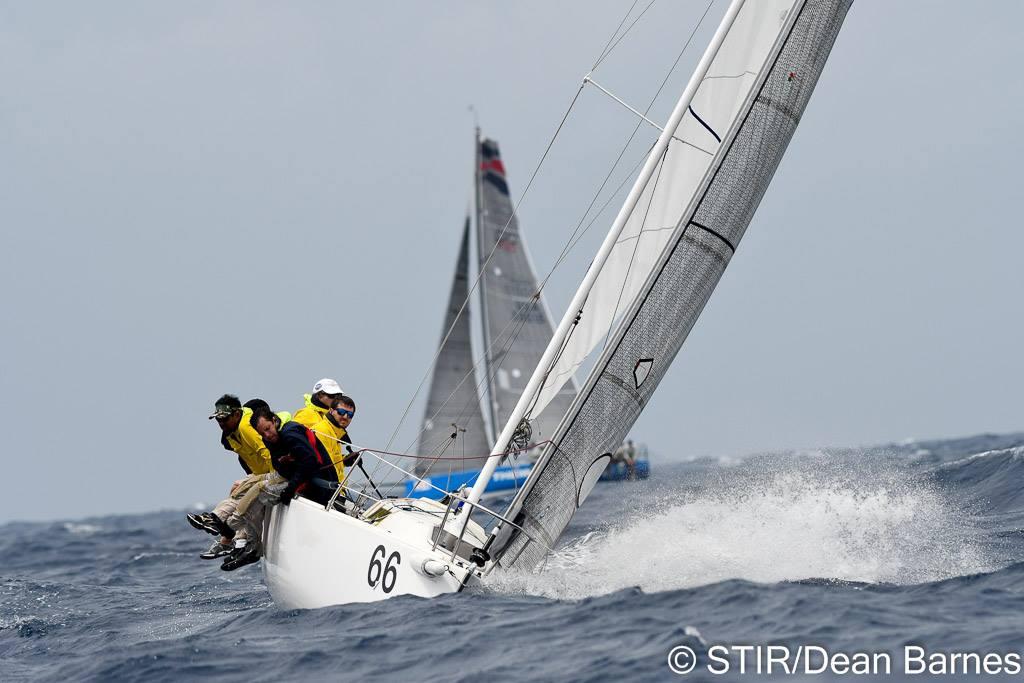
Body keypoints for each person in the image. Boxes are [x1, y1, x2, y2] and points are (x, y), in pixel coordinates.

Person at [220, 406, 340, 571]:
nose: (267, 434)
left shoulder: (290, 434)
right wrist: (287, 462)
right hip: (300, 480)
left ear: (274, 421)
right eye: (262, 433)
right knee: (251, 488)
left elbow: (309, 462)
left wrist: (290, 488)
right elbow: (280, 466)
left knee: (260, 492)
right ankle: (244, 541)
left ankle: (234, 530)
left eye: (268, 429)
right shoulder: (271, 440)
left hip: (319, 484)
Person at [186, 395, 282, 560]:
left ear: (237, 414)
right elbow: (246, 461)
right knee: (239, 488)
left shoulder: (245, 427)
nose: (221, 423)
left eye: (225, 418)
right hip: (261, 474)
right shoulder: (231, 435)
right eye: (218, 420)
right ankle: (234, 540)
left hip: (275, 473)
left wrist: (273, 479)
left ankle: (221, 525)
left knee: (248, 494)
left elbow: (267, 453)